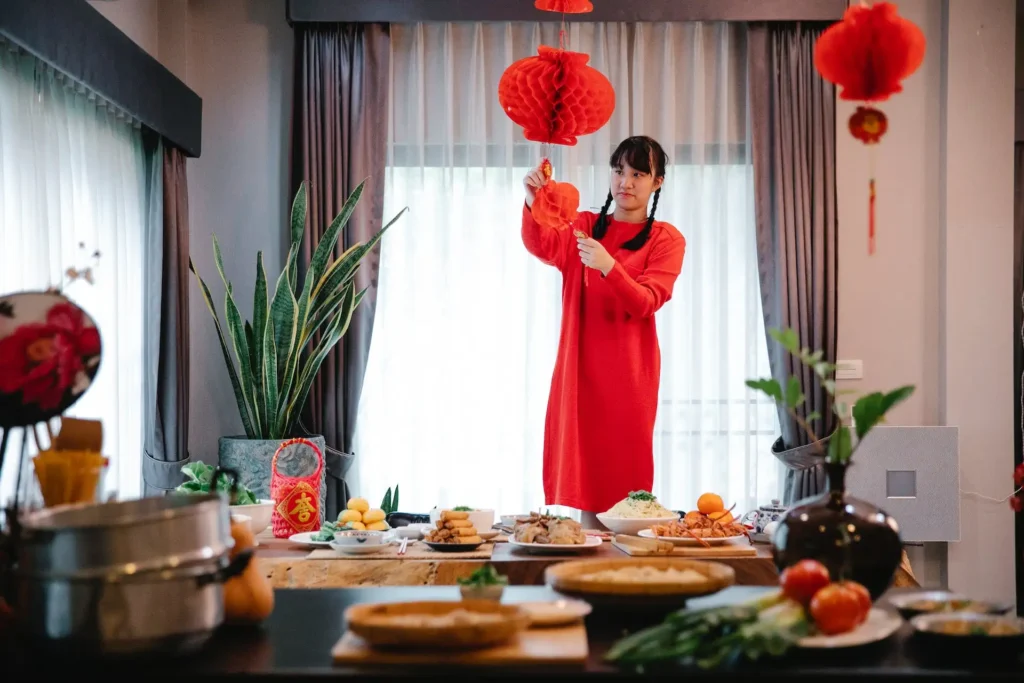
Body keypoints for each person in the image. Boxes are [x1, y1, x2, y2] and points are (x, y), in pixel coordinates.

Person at [521, 135, 686, 530]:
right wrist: (533, 201)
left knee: (625, 486)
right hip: (579, 374)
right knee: (586, 482)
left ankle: (629, 579)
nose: (625, 182)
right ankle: (588, 577)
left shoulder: (666, 239)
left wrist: (610, 265)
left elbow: (647, 301)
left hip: (629, 379)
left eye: (637, 174)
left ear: (657, 182)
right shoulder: (583, 226)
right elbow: (542, 244)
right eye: (618, 171)